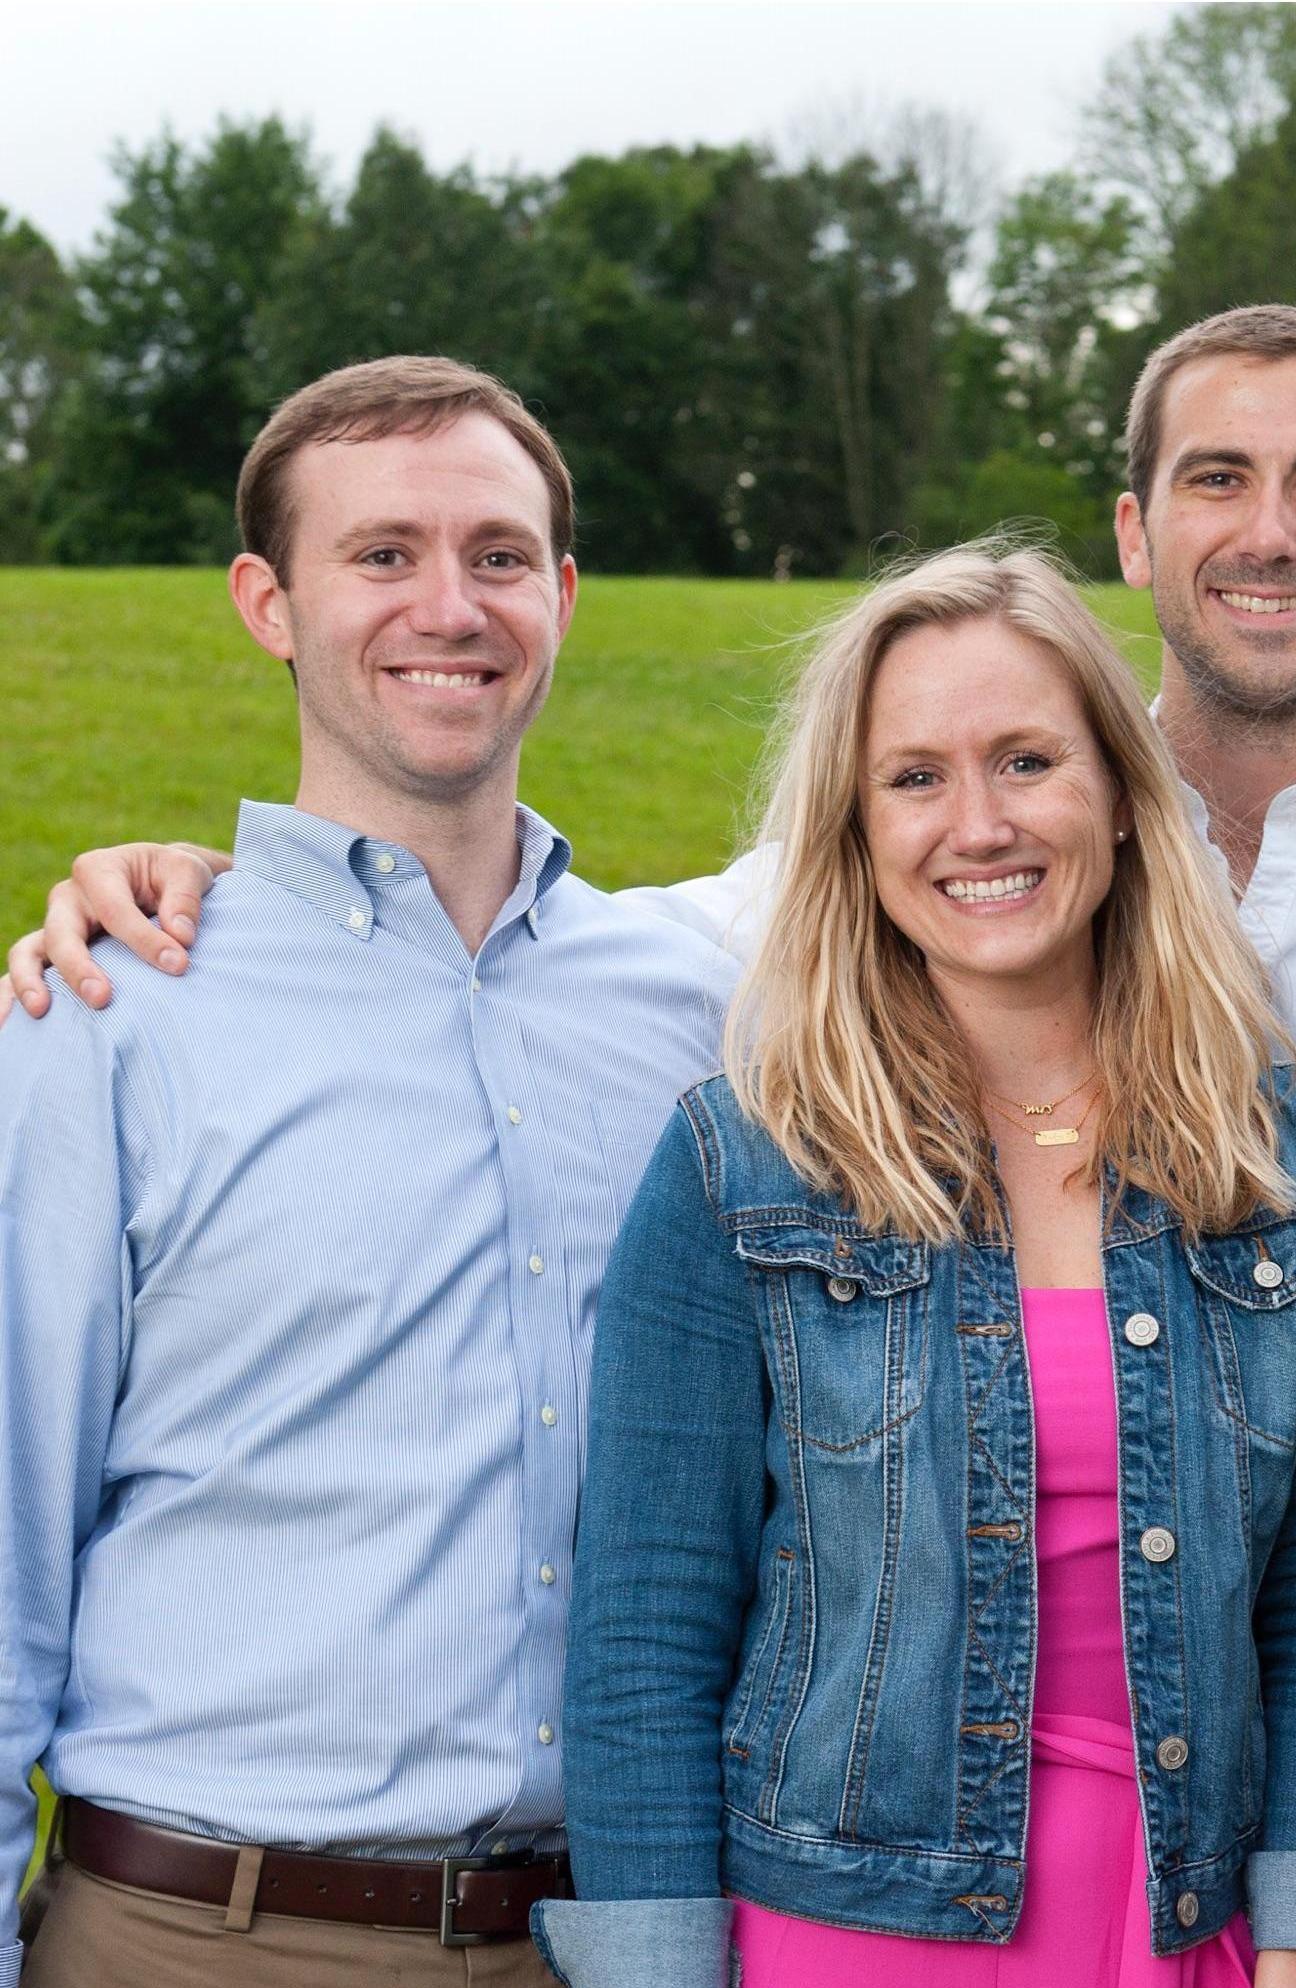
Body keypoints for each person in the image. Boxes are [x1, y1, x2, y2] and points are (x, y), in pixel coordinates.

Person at [20, 308, 1296, 1183]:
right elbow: (568, 952)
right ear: (1135, 533)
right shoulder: (969, 842)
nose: (1267, 531)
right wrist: (208, 884)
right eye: (1213, 476)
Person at [529, 542, 1296, 1988]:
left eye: (1026, 760)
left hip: (1191, 1935)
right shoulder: (746, 1167)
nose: (980, 824)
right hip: (837, 1939)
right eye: (916, 778)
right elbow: (646, 1624)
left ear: (1124, 802)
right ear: (856, 833)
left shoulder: (1294, 1158)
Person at [0, 357, 737, 1987]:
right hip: (200, 1933)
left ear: (562, 592)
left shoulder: (697, 1007)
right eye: (383, 555)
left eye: (496, 555)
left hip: (602, 1937)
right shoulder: (108, 1014)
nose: (450, 606)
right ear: (269, 602)